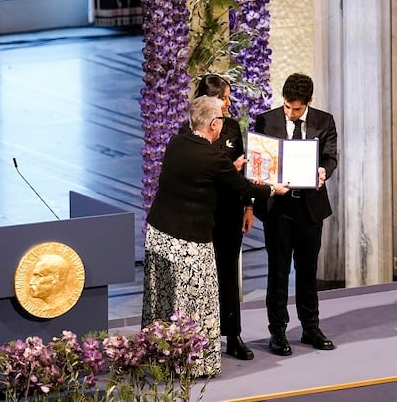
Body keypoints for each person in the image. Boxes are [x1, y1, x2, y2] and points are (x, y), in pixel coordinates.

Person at [142, 95, 288, 376]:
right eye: (221, 118)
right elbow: (242, 187)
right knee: (197, 300)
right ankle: (194, 363)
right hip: (190, 241)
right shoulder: (214, 157)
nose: (223, 123)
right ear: (213, 124)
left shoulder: (176, 142)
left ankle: (160, 354)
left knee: (163, 298)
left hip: (159, 233)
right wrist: (273, 189)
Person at [253, 73, 338, 355]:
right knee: (277, 272)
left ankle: (310, 327)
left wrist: (324, 171)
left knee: (307, 271)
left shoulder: (324, 121)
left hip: (310, 208)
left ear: (309, 102)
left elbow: (330, 157)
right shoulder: (266, 121)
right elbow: (259, 162)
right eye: (288, 107)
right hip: (278, 209)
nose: (291, 114)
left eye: (297, 109)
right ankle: (277, 331)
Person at [178, 74, 256, 361]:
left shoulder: (233, 128)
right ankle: (200, 337)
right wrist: (227, 171)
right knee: (199, 277)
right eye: (225, 97)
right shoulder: (185, 135)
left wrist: (248, 206)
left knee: (227, 274)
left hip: (229, 213)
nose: (228, 102)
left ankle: (233, 335)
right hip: (199, 216)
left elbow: (245, 170)